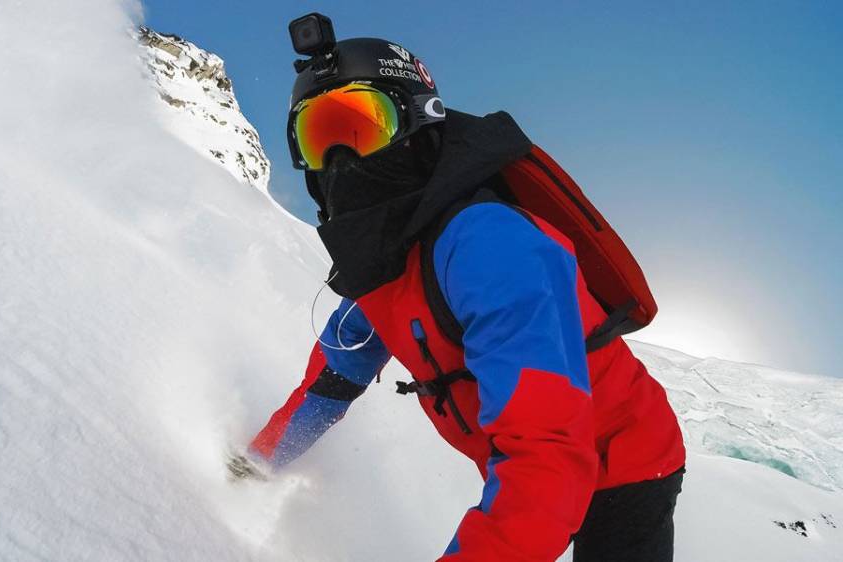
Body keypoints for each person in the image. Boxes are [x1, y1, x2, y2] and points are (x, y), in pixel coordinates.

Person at [232, 17, 686, 562]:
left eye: (364, 127)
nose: (341, 163)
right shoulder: (383, 266)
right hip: (531, 468)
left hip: (626, 458)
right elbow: (329, 385)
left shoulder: (490, 246)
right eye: (317, 140)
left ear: (418, 123)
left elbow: (545, 456)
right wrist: (256, 463)